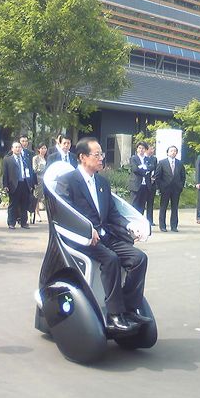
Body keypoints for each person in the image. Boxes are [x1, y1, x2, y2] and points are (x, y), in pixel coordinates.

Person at [55, 137, 150, 333]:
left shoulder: (102, 182)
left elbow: (113, 214)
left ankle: (130, 308)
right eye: (96, 154)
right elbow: (64, 213)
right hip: (82, 239)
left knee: (139, 258)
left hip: (106, 237)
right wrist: (87, 229)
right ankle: (114, 314)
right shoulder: (67, 181)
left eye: (101, 154)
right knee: (111, 259)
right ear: (82, 157)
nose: (101, 158)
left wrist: (130, 225)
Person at [154, 145, 186, 232]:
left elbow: (183, 176)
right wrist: (160, 187)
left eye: (175, 151)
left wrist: (180, 186)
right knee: (163, 207)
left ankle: (174, 226)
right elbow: (157, 177)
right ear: (168, 152)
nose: (173, 152)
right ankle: (162, 226)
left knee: (174, 208)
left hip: (176, 189)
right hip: (165, 189)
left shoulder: (179, 163)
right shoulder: (162, 163)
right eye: (171, 151)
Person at [3, 142, 34, 229]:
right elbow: (5, 174)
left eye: (19, 147)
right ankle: (11, 223)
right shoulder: (8, 159)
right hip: (14, 184)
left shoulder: (25, 159)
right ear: (12, 149)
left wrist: (31, 183)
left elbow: (30, 171)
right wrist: (5, 185)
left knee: (24, 204)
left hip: (24, 183)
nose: (18, 149)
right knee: (13, 204)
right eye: (16, 147)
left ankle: (24, 222)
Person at [129, 141, 154, 215]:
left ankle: (140, 222)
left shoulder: (148, 159)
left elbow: (152, 167)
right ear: (137, 149)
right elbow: (135, 169)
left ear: (145, 150)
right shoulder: (134, 158)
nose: (141, 150)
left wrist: (143, 167)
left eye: (143, 148)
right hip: (136, 185)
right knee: (134, 205)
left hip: (145, 185)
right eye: (139, 148)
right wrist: (145, 170)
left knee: (142, 206)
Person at [32, 143, 48, 222]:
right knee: (37, 197)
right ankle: (37, 213)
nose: (43, 150)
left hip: (47, 179)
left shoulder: (48, 158)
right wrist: (43, 169)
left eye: (45, 148)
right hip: (39, 179)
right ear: (39, 149)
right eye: (42, 148)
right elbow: (34, 169)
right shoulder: (36, 158)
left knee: (46, 197)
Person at [144, 145, 158, 226]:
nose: (152, 150)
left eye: (153, 148)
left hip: (152, 183)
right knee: (142, 204)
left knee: (150, 203)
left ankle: (150, 220)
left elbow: (156, 169)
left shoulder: (154, 159)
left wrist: (154, 177)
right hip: (144, 184)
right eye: (151, 148)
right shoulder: (143, 158)